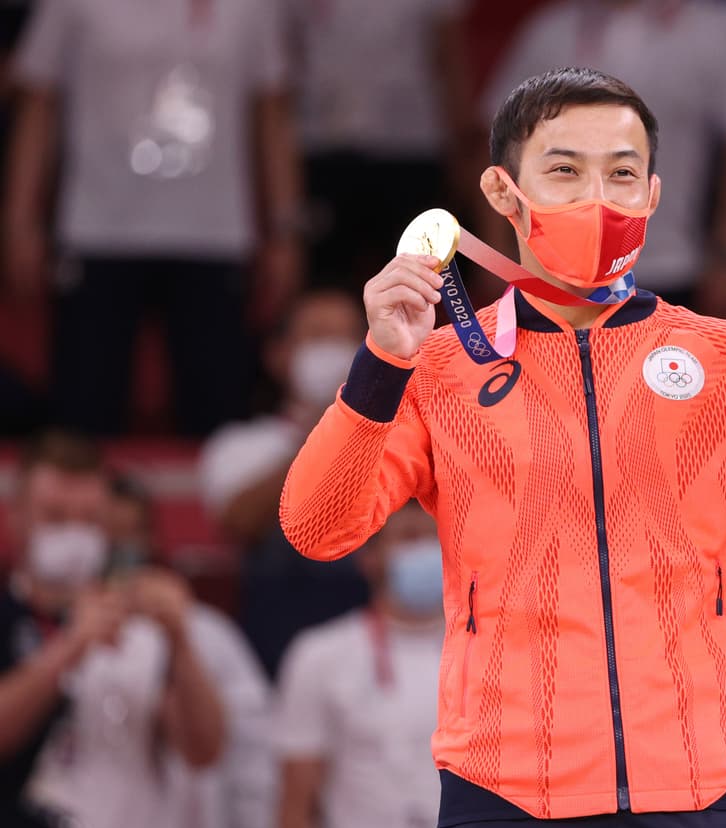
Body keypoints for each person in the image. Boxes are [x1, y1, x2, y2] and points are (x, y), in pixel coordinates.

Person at [280, 66, 726, 828]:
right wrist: (381, 362)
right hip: (504, 803)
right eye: (564, 170)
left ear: (652, 195)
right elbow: (316, 526)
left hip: (701, 796)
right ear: (503, 193)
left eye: (622, 173)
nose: (598, 197)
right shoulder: (439, 370)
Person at [3, 0, 302, 436]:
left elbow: (272, 113)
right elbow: (39, 105)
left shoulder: (252, 7)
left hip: (213, 233)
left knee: (218, 417)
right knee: (84, 412)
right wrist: (19, 221)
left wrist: (286, 228)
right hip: (97, 229)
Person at [0, 430, 226, 828]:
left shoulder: (143, 626)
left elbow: (204, 750)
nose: (74, 533)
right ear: (16, 517)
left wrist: (181, 642)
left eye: (89, 519)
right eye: (54, 517)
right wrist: (68, 649)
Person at [482, 0, 726, 315]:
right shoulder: (552, 30)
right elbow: (497, 139)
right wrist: (497, 255)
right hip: (555, 268)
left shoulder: (714, 29)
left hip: (676, 263)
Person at [199, 288, 369, 679]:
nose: (332, 350)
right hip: (277, 642)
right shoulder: (239, 445)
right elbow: (240, 523)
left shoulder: (400, 434)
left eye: (344, 338)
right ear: (279, 354)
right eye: (317, 336)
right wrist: (332, 428)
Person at [105, 474, 277, 828]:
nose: (116, 548)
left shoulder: (208, 634)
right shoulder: (54, 632)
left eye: (129, 534)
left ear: (151, 540)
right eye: (105, 534)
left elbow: (251, 762)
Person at [275, 507, 446, 828]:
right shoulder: (319, 655)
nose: (425, 550)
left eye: (435, 538)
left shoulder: (490, 652)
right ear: (370, 558)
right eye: (409, 538)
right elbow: (296, 804)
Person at [284, 0, 473, 292]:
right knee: (326, 281)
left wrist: (461, 148)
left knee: (417, 280)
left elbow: (448, 51)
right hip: (324, 145)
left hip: (410, 147)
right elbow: (282, 52)